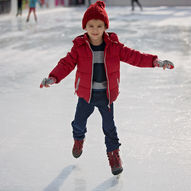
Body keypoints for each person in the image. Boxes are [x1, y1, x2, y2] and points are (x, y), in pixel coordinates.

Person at [40, 1, 174, 175]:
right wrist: (53, 77)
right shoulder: (79, 47)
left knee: (109, 128)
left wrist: (155, 62)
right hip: (86, 96)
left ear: (105, 27)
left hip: (106, 96)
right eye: (91, 25)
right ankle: (78, 140)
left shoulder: (114, 47)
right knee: (78, 124)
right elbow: (66, 64)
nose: (95, 30)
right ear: (85, 26)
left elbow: (135, 57)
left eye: (99, 25)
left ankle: (114, 155)